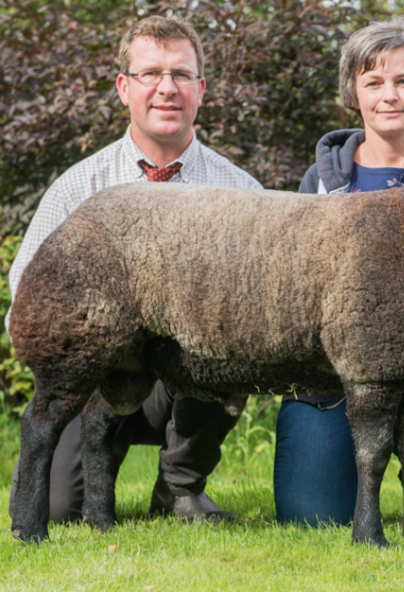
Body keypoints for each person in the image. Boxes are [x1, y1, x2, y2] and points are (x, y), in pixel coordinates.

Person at [6, 16, 262, 524]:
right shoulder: (78, 188)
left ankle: (179, 488)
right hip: (94, 381)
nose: (166, 88)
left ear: (201, 90)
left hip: (185, 380)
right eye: (150, 74)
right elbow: (25, 291)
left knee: (230, 341)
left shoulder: (242, 195)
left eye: (181, 75)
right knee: (60, 510)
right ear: (124, 88)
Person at [273, 16, 404, 527]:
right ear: (355, 92)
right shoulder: (322, 184)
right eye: (374, 82)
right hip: (332, 380)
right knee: (311, 517)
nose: (389, 95)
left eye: (403, 81)